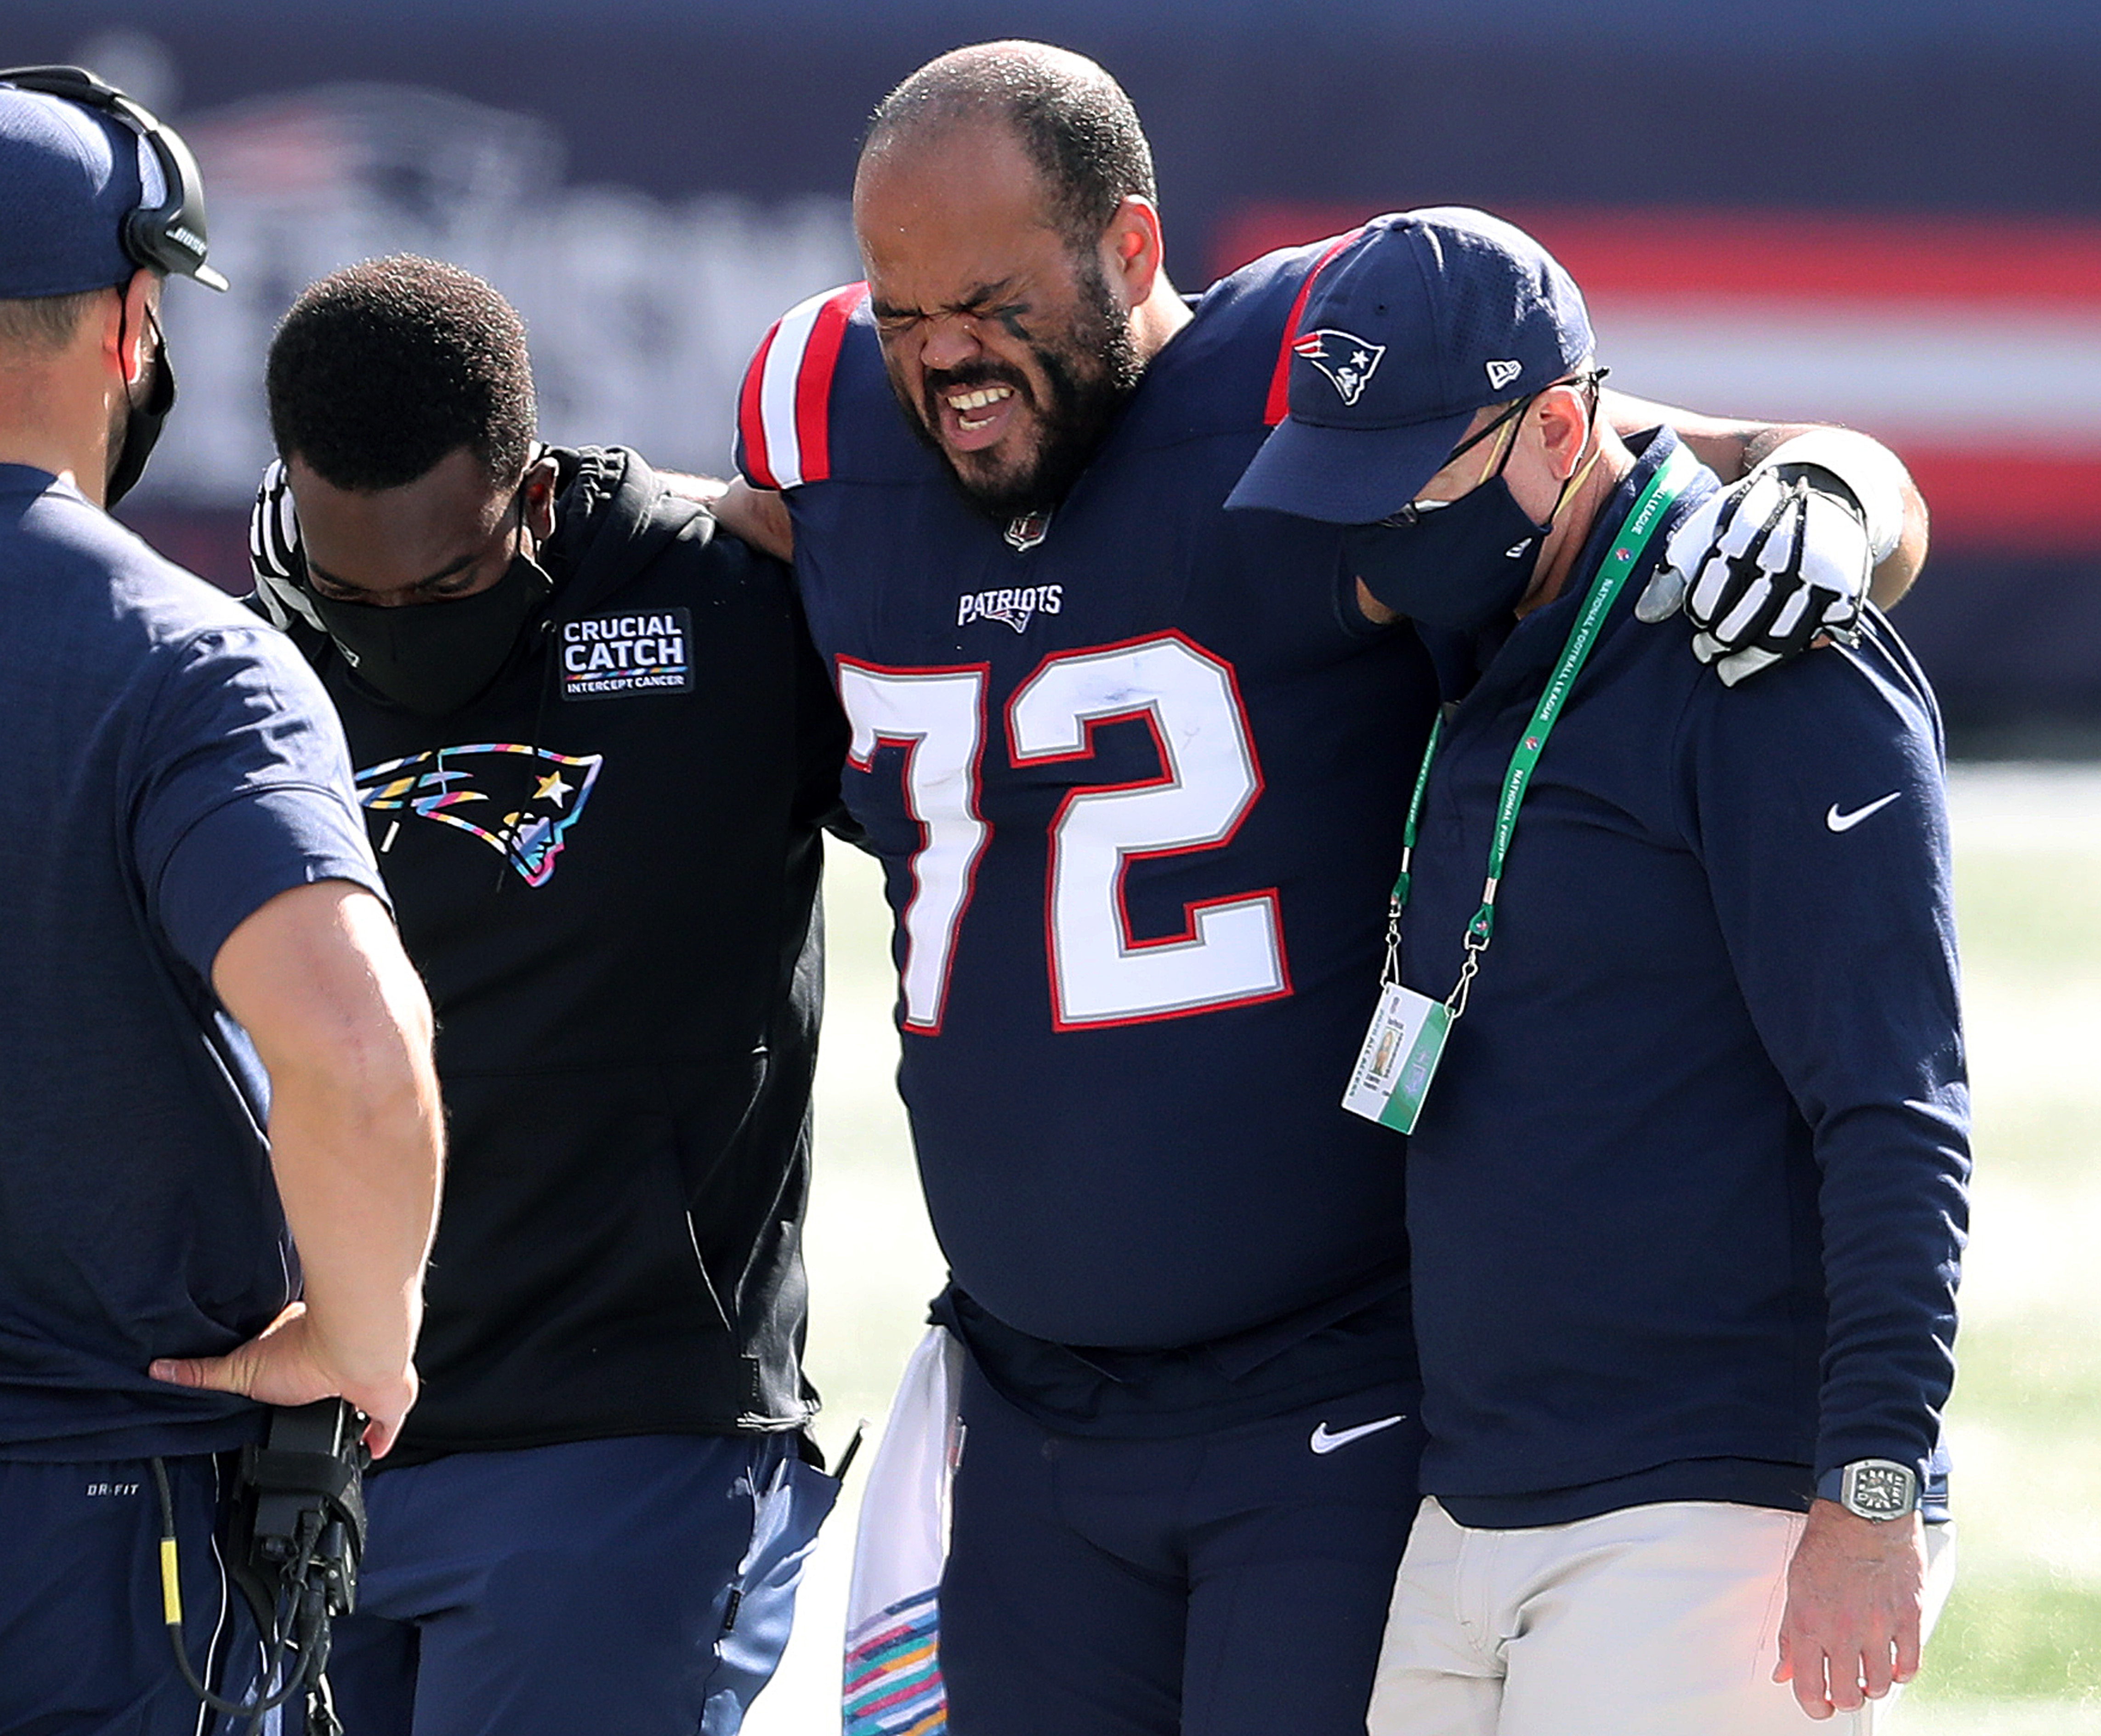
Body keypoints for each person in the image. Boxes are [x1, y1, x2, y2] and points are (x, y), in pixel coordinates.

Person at [715, 40, 1934, 1736]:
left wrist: (1845, 487)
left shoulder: (1302, 399)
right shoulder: (826, 422)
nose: (940, 356)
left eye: (988, 301)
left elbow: (1685, 462)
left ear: (1131, 252)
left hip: (1334, 1386)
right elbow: (716, 540)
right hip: (1026, 1394)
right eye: (900, 307)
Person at [1229, 207, 1965, 1734]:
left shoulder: (1760, 650)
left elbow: (1896, 1105)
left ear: (1559, 427)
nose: (1375, 530)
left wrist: (1872, 1491)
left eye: (1408, 482)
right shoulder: (1494, 626)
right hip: (1483, 1485)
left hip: (1721, 1494)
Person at [243, 254, 849, 1736]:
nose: (403, 621)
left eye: (449, 582)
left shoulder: (728, 599)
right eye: (355, 590)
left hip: (626, 1442)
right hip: (313, 1441)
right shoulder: (240, 649)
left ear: (531, 492)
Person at [0, 68, 444, 1734]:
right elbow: (356, 1050)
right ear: (132, 323)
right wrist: (359, 1336)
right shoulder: (179, 665)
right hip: (91, 1539)